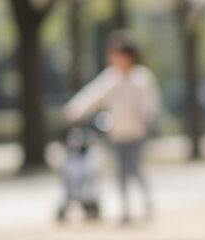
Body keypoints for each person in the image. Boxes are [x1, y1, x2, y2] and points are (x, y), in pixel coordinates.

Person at [66, 31, 160, 224]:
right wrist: (76, 108)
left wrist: (147, 118)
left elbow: (151, 103)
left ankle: (146, 201)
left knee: (135, 169)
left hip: (137, 133)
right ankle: (125, 209)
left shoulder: (141, 78)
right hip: (117, 133)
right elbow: (93, 95)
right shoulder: (110, 79)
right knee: (119, 172)